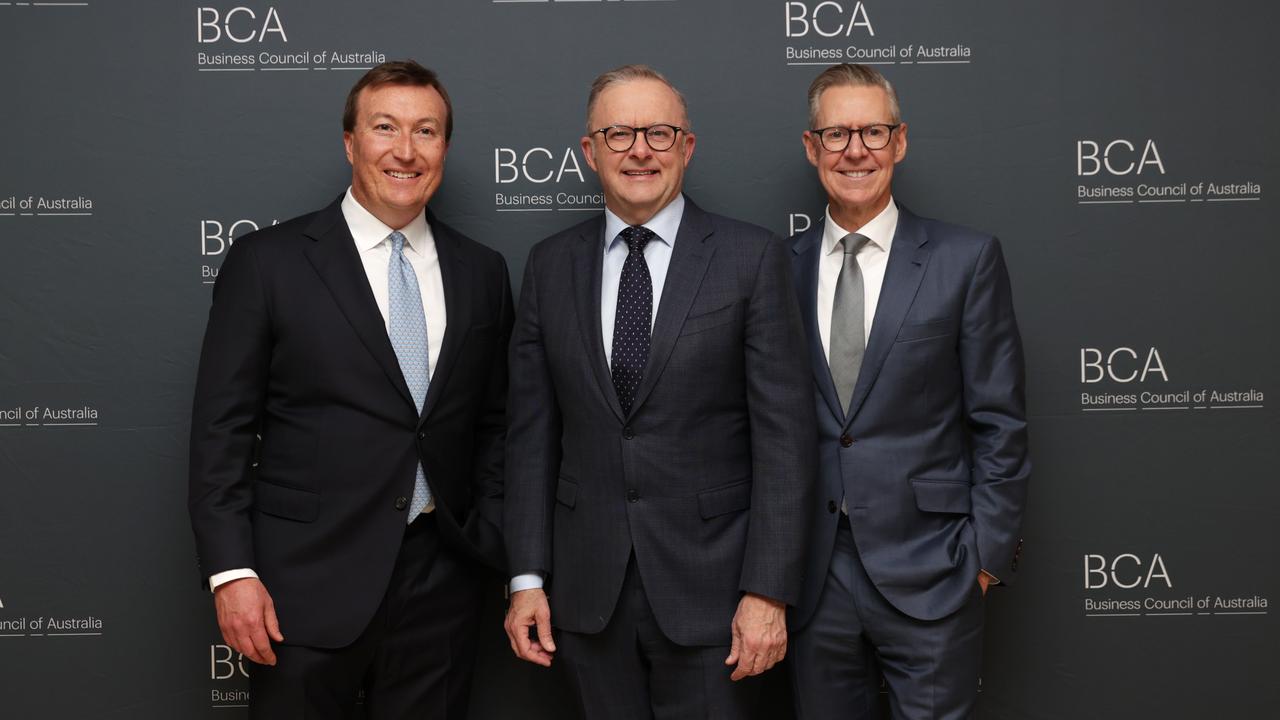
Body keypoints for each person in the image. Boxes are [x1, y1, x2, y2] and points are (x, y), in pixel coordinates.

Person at [188, 60, 512, 719]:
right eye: (385, 127)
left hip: (442, 581)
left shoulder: (482, 271)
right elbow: (220, 431)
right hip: (300, 583)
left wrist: (491, 535)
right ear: (350, 142)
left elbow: (497, 423)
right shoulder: (268, 263)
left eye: (426, 131)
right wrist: (232, 572)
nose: (405, 149)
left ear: (444, 148)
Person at [502, 64, 815, 719]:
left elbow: (784, 439)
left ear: (687, 147)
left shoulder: (750, 259)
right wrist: (527, 577)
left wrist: (768, 593)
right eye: (618, 134)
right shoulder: (550, 266)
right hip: (586, 601)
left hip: (719, 601)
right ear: (589, 152)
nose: (639, 149)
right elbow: (532, 437)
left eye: (659, 132)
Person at [787, 63, 1031, 720]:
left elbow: (999, 421)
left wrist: (982, 561)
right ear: (812, 148)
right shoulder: (775, 269)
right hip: (811, 578)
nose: (855, 150)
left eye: (872, 131)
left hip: (935, 571)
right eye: (837, 134)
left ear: (900, 142)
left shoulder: (965, 259)